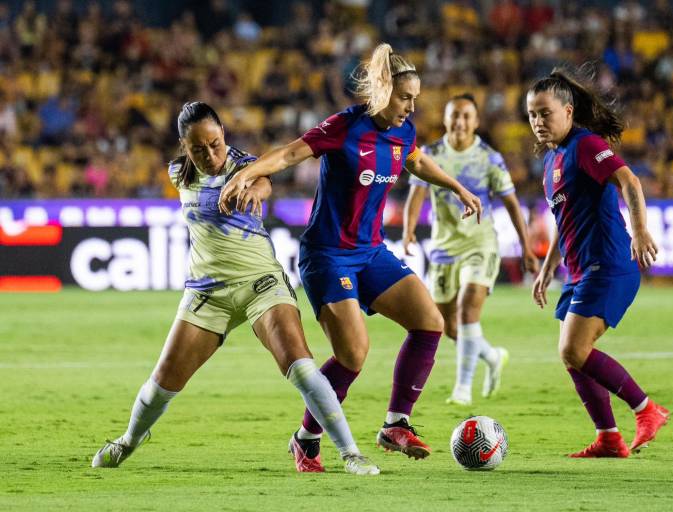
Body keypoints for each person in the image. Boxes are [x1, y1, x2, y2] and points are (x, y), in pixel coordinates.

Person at [218, 44, 482, 471]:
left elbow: (416, 162)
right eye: (404, 97)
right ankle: (307, 439)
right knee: (353, 355)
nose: (411, 106)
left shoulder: (404, 131)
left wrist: (456, 187)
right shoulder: (344, 126)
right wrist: (247, 173)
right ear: (382, 90)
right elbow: (288, 153)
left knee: (429, 321)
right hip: (328, 257)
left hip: (371, 252)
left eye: (415, 98)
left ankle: (396, 423)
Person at [91, 102, 379, 475]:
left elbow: (263, 180)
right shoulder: (179, 173)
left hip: (261, 284)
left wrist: (256, 189)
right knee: (162, 383)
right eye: (198, 148)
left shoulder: (243, 166)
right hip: (207, 293)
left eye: (215, 144)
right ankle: (129, 440)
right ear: (184, 146)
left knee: (301, 365)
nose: (210, 155)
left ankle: (350, 452)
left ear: (224, 135)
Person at [526, 69, 670, 458]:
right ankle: (608, 437)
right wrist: (546, 267)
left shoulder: (585, 145)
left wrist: (639, 231)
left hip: (606, 264)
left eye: (545, 113)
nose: (538, 122)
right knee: (573, 356)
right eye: (532, 115)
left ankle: (647, 410)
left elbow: (630, 182)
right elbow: (564, 219)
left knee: (574, 350)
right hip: (579, 270)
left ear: (568, 111)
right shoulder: (553, 160)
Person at [403, 93, 540, 406]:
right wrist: (410, 231)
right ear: (446, 119)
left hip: (480, 243)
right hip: (442, 248)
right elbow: (417, 195)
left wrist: (526, 247)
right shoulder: (430, 153)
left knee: (467, 309)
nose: (460, 122)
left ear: (476, 122)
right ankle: (491, 356)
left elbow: (512, 204)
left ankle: (462, 389)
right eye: (455, 115)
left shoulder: (489, 158)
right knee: (449, 326)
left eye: (466, 116)